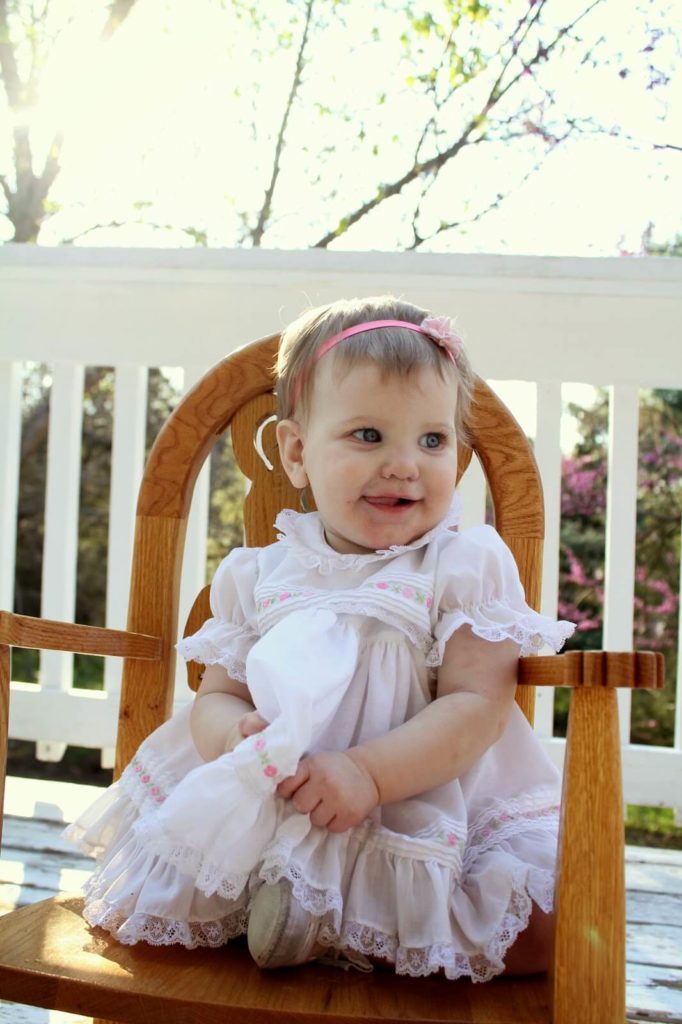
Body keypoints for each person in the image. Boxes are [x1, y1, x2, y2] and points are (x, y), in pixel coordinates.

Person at [65, 296, 574, 981]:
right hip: (275, 803)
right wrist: (230, 736)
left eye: (433, 440)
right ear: (296, 451)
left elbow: (477, 706)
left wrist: (367, 772)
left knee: (547, 930)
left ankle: (325, 925)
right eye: (369, 435)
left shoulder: (460, 566)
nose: (405, 464)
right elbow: (218, 694)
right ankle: (291, 916)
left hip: (412, 803)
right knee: (186, 881)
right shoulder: (259, 574)